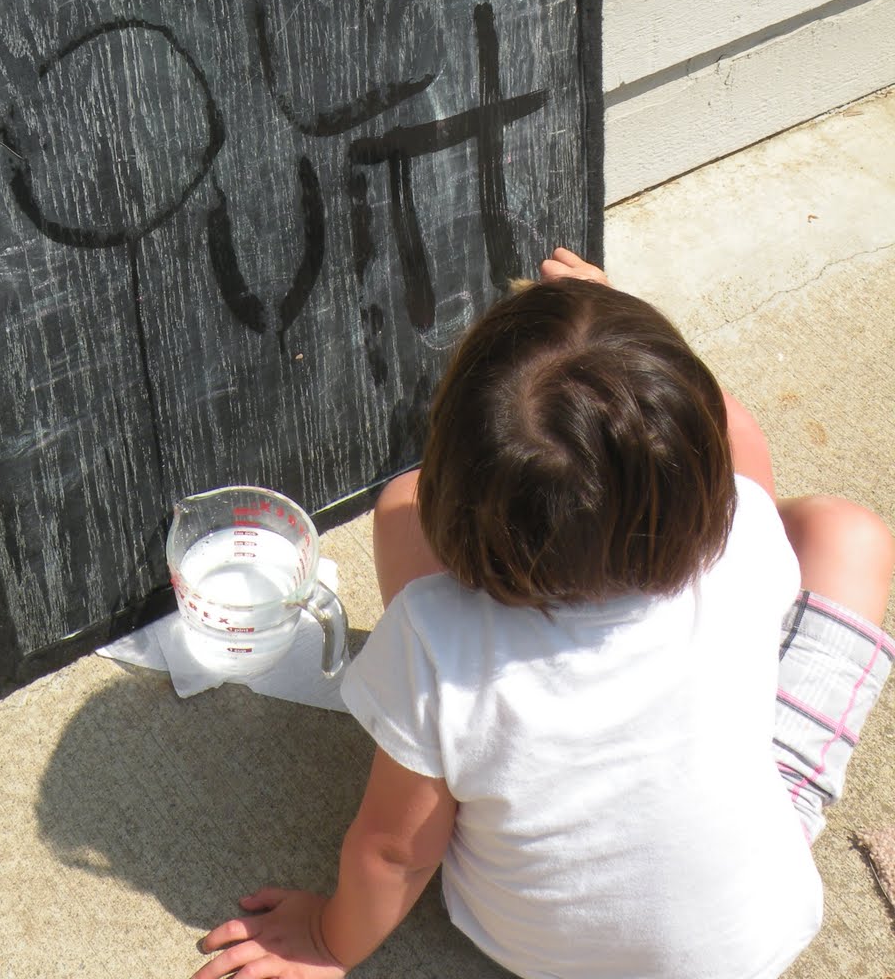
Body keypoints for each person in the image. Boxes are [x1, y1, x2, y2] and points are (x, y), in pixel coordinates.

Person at [191, 247, 895, 979]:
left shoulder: (434, 640)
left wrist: (330, 941)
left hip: (543, 947)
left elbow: (396, 849)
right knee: (849, 534)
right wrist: (631, 329)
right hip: (757, 922)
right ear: (698, 471)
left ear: (463, 495)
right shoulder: (745, 533)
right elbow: (736, 434)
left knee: (400, 504)